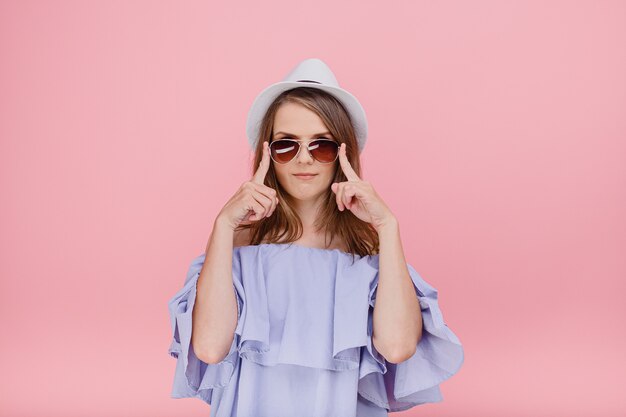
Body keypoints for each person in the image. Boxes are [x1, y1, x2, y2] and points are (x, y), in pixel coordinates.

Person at [167, 58, 464, 417]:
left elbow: (398, 346)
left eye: (321, 145)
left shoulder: (368, 255)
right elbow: (210, 348)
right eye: (286, 145)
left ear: (343, 154)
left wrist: (388, 227)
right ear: (267, 154)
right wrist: (223, 225)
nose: (304, 159)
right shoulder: (238, 247)